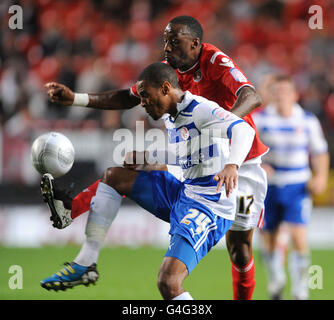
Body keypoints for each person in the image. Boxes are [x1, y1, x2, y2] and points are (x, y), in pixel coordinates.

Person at [41, 16, 268, 299]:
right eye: (165, 41)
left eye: (174, 42)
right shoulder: (164, 74)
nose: (167, 48)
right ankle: (81, 248)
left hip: (241, 166)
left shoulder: (215, 62)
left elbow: (251, 96)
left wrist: (219, 130)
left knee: (239, 246)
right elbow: (127, 96)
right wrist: (76, 98)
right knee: (118, 176)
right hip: (196, 166)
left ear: (195, 44)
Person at [253, 75, 329, 300]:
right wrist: (260, 164)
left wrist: (321, 176)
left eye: (287, 91)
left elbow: (320, 152)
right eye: (278, 92)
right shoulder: (261, 119)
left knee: (298, 235)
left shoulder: (307, 120)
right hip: (269, 186)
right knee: (268, 237)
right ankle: (276, 279)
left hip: (297, 184)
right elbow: (246, 150)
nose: (282, 96)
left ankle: (300, 290)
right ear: (273, 95)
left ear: (295, 95)